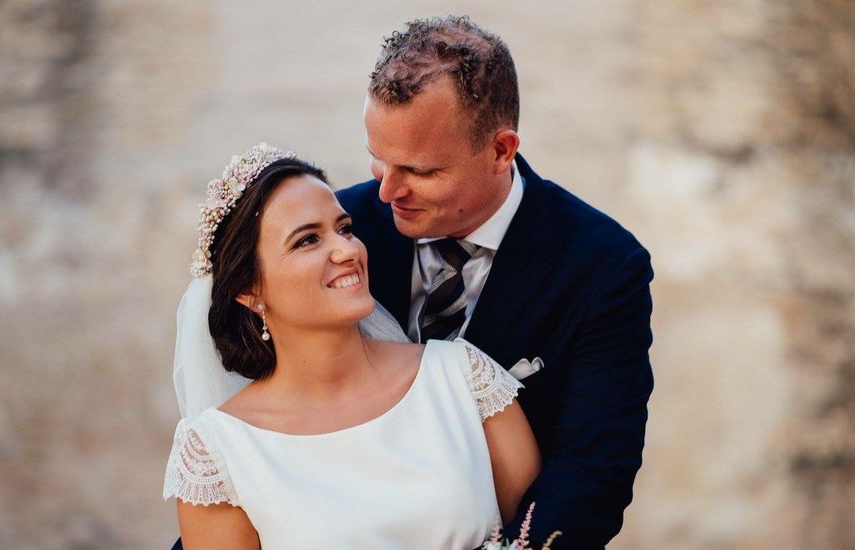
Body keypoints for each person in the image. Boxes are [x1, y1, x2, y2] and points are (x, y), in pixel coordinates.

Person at [336, 16, 654, 548]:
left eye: (422, 171)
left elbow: (592, 470)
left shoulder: (603, 266)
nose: (389, 192)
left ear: (501, 150)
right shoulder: (342, 228)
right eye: (378, 160)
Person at [162, 144, 541, 549]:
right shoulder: (218, 452)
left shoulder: (464, 378)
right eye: (308, 240)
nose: (347, 250)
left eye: (344, 229)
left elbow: (545, 533)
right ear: (249, 290)